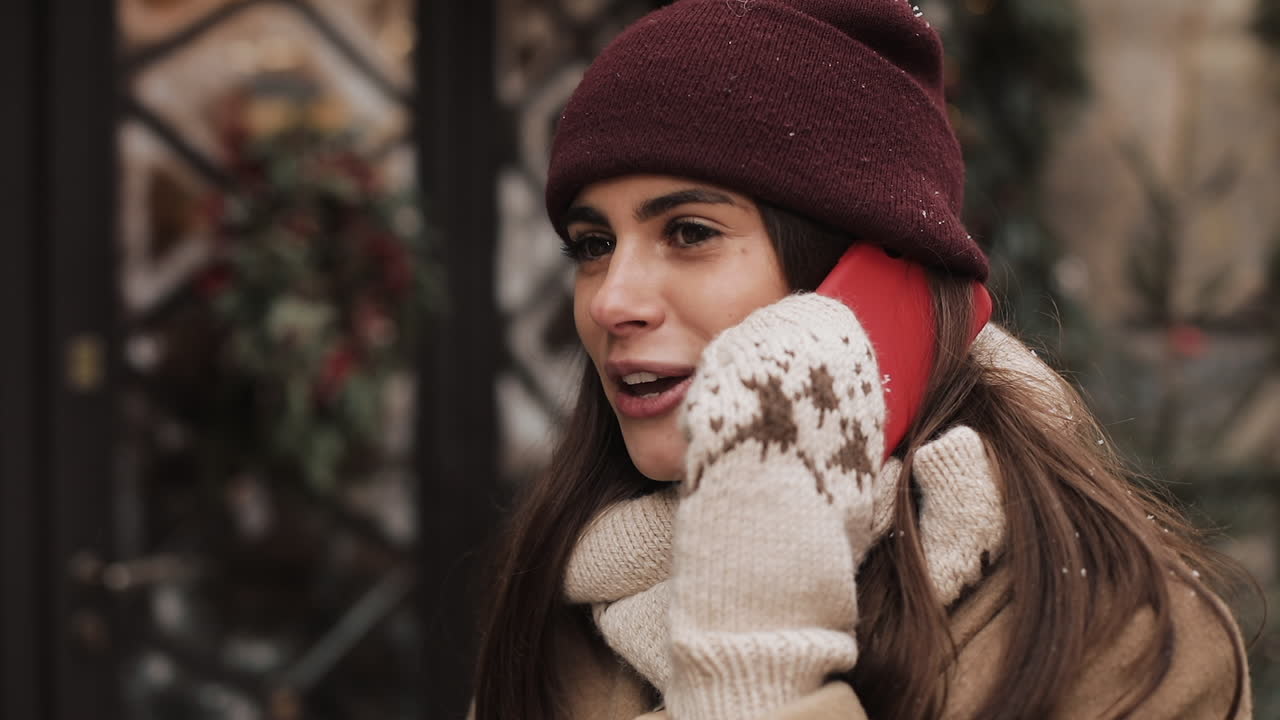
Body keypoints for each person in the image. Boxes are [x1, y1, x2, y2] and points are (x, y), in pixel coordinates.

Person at [471, 1, 1254, 718]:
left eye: (690, 233)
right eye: (593, 245)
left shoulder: (1124, 642)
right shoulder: (562, 603)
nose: (611, 301)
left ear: (863, 284)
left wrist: (753, 654)